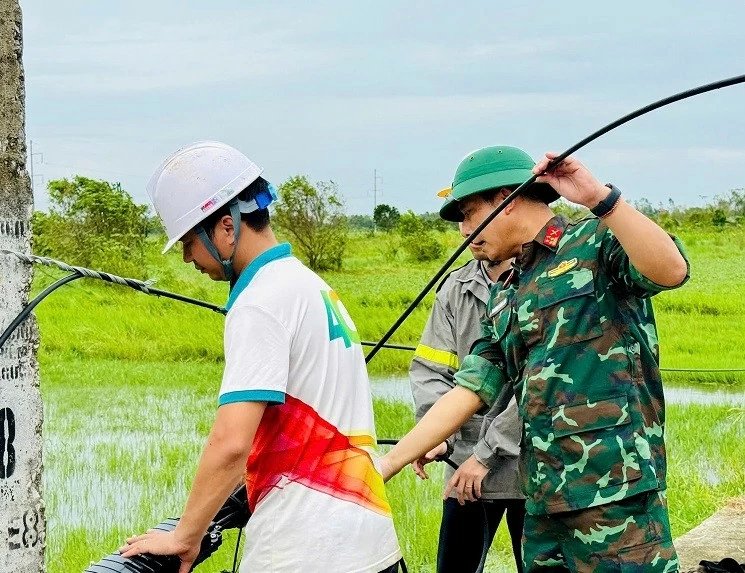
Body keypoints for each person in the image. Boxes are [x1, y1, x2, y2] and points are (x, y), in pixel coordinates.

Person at [381, 145, 690, 572]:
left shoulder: (594, 244)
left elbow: (670, 270)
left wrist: (599, 198)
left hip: (615, 500)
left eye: (469, 213)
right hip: (543, 504)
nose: (464, 231)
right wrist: (388, 463)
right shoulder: (506, 292)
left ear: (505, 200)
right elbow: (472, 387)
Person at [120, 141, 403, 573]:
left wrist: (185, 536)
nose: (187, 257)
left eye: (189, 242)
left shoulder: (259, 301)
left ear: (226, 228)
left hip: (304, 552)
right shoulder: (313, 286)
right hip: (371, 544)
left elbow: (231, 441)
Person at [410, 195, 524, 572]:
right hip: (465, 472)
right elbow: (431, 368)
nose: (465, 230)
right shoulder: (454, 288)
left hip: (536, 467)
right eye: (460, 219)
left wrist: (488, 453)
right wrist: (436, 434)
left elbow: (543, 388)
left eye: (473, 216)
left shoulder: (545, 282)